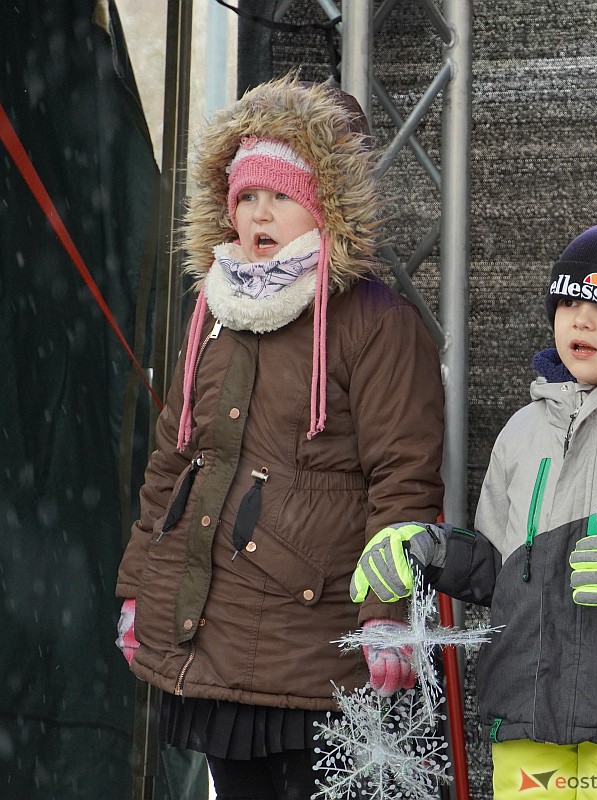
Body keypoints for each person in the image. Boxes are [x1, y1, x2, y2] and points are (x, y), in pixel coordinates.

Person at [113, 75, 445, 800]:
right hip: (215, 633)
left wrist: (386, 614)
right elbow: (171, 465)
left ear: (329, 205)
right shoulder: (215, 309)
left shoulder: (378, 322)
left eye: (282, 196)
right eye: (247, 196)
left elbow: (404, 482)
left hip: (315, 638)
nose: (259, 214)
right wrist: (139, 588)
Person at [351, 190, 597, 799]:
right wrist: (426, 549)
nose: (580, 320)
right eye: (569, 302)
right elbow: (495, 570)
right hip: (523, 718)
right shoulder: (522, 430)